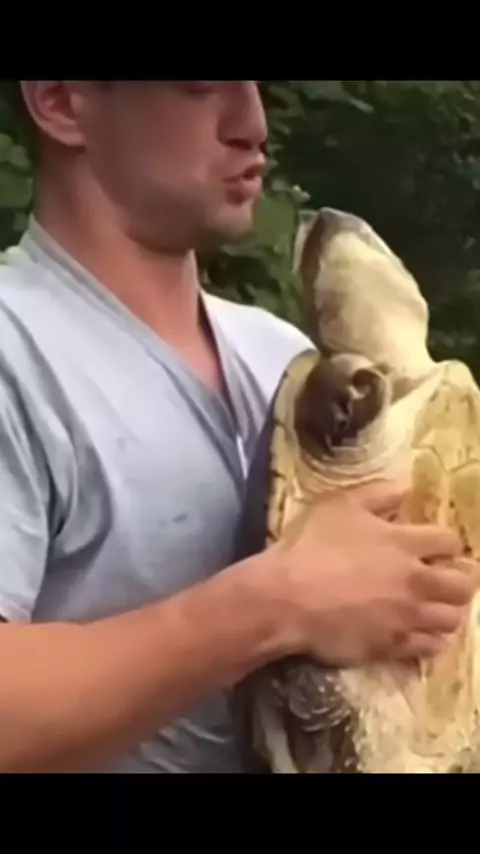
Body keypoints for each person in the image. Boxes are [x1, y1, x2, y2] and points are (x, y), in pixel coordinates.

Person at [0, 80, 471, 774]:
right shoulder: (16, 350)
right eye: (200, 86)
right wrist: (275, 605)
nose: (251, 123)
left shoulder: (283, 355)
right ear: (62, 101)